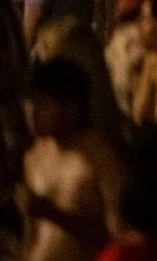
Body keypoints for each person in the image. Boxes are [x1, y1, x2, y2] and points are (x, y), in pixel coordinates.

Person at [19, 59, 125, 261]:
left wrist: (58, 216)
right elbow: (32, 234)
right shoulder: (35, 154)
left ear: (71, 107)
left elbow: (119, 238)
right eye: (29, 102)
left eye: (42, 103)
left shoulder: (102, 157)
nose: (32, 112)